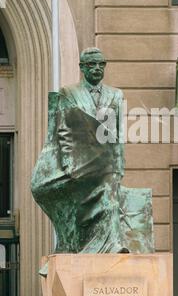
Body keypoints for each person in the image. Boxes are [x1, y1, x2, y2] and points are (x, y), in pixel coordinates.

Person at [32, 48, 129, 254]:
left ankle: (111, 246)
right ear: (82, 68)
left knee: (111, 197)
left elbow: (119, 134)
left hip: (105, 164)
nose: (97, 68)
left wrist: (119, 167)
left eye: (101, 64)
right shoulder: (69, 93)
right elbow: (64, 130)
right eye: (92, 64)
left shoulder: (116, 95)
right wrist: (69, 163)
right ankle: (85, 245)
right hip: (80, 162)